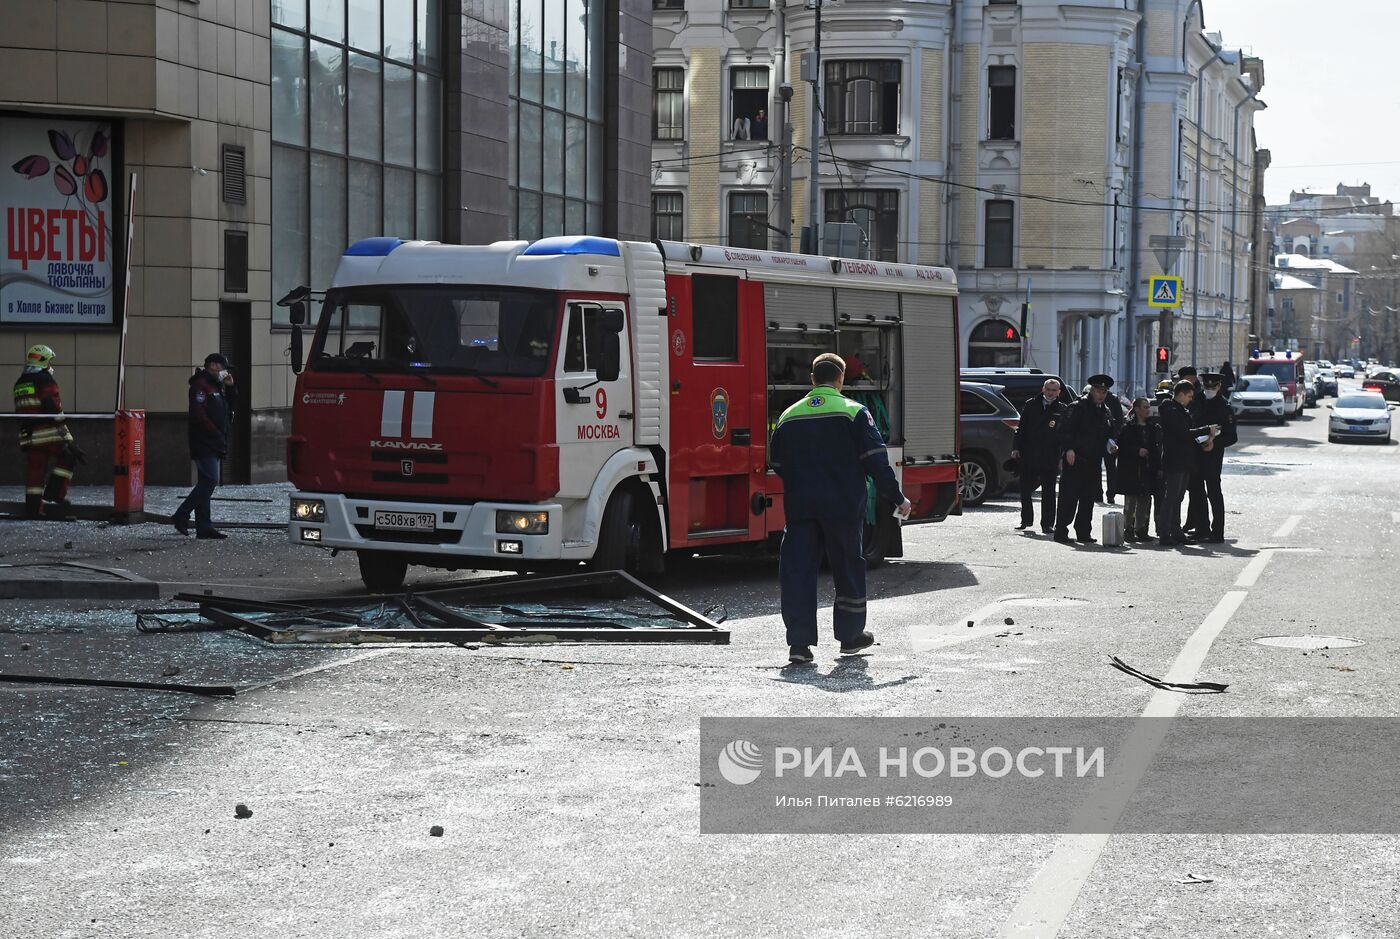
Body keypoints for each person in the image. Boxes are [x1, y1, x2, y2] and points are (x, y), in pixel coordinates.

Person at [770, 353, 912, 664]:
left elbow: (777, 463)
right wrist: (897, 498)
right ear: (841, 379)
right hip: (843, 507)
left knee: (797, 572)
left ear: (812, 380)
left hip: (801, 507)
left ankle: (799, 645)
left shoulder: (788, 416)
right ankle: (849, 638)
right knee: (847, 567)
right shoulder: (854, 412)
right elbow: (877, 461)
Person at [172, 353, 237, 539]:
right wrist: (215, 434)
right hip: (204, 441)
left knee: (205, 482)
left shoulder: (217, 386)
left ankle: (204, 526)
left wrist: (231, 388)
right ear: (214, 366)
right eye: (224, 368)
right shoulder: (200, 386)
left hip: (214, 440)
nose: (225, 372)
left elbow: (229, 409)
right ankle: (181, 514)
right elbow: (198, 415)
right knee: (210, 480)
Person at [12, 344, 81, 519]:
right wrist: (68, 439)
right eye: (49, 362)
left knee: (35, 471)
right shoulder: (45, 380)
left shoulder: (20, 382)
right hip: (48, 433)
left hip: (29, 436)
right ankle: (55, 494)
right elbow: (53, 408)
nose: (51, 366)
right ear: (43, 362)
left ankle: (34, 509)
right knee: (68, 456)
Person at [1053, 374, 1118, 545]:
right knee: (1069, 497)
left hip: (1094, 460)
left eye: (1104, 391)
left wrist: (1111, 443)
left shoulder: (1105, 411)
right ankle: (1061, 531)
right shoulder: (1078, 407)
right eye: (1098, 390)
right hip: (1076, 459)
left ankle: (1083, 532)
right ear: (1092, 390)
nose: (1101, 394)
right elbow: (1064, 430)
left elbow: (1111, 431)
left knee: (1088, 499)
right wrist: (1068, 449)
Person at [1157, 380, 1217, 546]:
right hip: (1175, 459)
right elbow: (1183, 433)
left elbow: (1186, 434)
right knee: (1171, 498)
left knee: (1178, 497)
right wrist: (1206, 429)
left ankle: (1175, 532)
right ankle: (1165, 532)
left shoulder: (1180, 410)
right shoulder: (1171, 409)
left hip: (1183, 459)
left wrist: (1205, 439)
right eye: (1189, 396)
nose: (1191, 399)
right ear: (1181, 394)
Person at [1185, 371, 1237, 542]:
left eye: (1213, 386)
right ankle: (1201, 528)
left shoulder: (1224, 407)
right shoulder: (1196, 401)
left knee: (1214, 492)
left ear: (1219, 386)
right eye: (1206, 385)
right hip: (1194, 453)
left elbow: (1231, 436)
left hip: (1213, 456)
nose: (1209, 389)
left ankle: (1217, 532)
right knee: (1196, 492)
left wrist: (1215, 443)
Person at [1011, 378, 1067, 533]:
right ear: (1043, 390)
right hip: (1029, 454)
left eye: (1054, 390)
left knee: (1048, 492)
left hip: (1050, 456)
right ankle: (1026, 520)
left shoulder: (1062, 409)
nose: (1050, 392)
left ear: (1058, 392)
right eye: (1048, 389)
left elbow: (1064, 436)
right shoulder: (1031, 405)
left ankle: (1047, 524)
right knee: (1025, 489)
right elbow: (1020, 429)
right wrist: (1016, 448)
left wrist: (1062, 456)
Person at [1116, 397, 1161, 542]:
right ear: (1137, 409)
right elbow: (1122, 447)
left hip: (1148, 469)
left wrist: (1158, 466)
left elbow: (1157, 448)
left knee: (1145, 500)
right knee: (1131, 501)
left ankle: (1141, 529)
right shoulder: (1128, 427)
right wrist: (1137, 451)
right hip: (1132, 469)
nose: (1148, 410)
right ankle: (1128, 528)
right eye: (1145, 407)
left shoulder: (1153, 427)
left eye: (1148, 407)